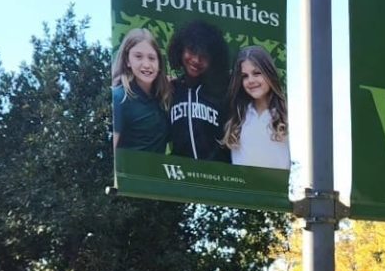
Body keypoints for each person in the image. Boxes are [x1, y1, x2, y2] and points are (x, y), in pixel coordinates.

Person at [166, 20, 230, 161]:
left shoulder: (221, 92)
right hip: (180, 176)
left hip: (216, 178)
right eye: (192, 51)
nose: (196, 60)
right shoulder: (171, 90)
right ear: (181, 49)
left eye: (204, 56)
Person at [222, 45, 290, 170]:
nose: (251, 80)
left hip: (278, 188)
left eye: (257, 73)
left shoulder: (287, 114)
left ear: (269, 73)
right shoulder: (238, 118)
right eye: (245, 76)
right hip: (243, 188)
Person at [111, 29, 169, 153]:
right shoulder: (119, 97)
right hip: (128, 171)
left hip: (156, 171)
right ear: (127, 60)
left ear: (159, 63)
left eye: (152, 58)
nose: (146, 64)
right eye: (138, 56)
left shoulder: (163, 99)